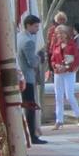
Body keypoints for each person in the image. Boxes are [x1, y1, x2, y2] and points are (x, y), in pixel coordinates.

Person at [16, 14, 47, 144]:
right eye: (35, 26)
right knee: (30, 107)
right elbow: (32, 63)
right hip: (27, 78)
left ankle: (29, 133)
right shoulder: (28, 41)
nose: (37, 29)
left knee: (28, 106)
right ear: (28, 25)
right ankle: (32, 135)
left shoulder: (19, 37)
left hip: (22, 76)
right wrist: (39, 57)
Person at [49, 23, 79, 129]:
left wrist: (66, 67)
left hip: (69, 73)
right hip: (58, 73)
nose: (59, 36)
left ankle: (78, 115)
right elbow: (53, 59)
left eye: (61, 33)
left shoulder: (71, 45)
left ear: (66, 34)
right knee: (58, 96)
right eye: (57, 34)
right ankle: (59, 121)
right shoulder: (56, 45)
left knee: (69, 95)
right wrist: (56, 66)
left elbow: (76, 59)